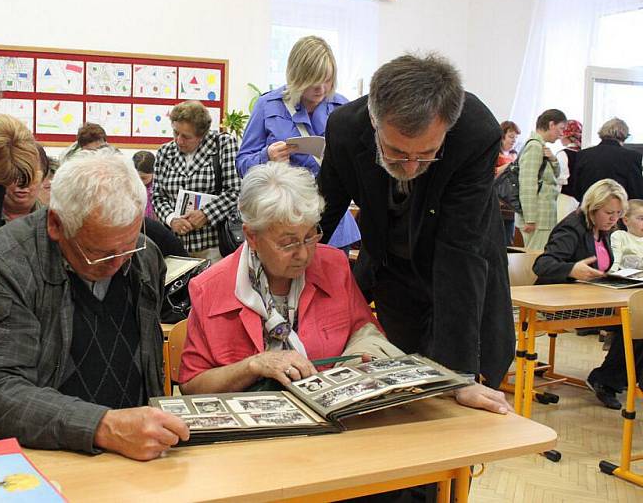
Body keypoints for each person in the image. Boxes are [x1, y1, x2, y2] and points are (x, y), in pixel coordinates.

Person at [180, 162, 511, 415]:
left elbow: (370, 340)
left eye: (310, 235)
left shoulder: (332, 266)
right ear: (252, 236)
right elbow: (193, 387)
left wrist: (452, 387)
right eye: (288, 242)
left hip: (337, 434)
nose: (304, 253)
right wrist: (254, 365)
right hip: (256, 445)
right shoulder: (211, 288)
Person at [0, 149, 190, 459]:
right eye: (101, 252)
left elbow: (147, 370)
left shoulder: (144, 255)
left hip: (126, 459)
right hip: (33, 458)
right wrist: (102, 426)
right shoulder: (1, 263)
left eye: (129, 245)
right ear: (56, 224)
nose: (120, 262)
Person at [317, 53, 515, 389]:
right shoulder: (346, 128)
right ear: (373, 120)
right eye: (395, 152)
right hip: (394, 273)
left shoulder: (474, 132)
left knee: (462, 388)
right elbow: (321, 216)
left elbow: (460, 250)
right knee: (408, 381)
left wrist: (459, 377)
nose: (410, 166)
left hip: (465, 277)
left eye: (425, 154)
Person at [236, 36, 360, 253]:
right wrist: (267, 157)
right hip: (283, 220)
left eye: (328, 80)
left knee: (333, 285)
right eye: (313, 80)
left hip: (334, 224)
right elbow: (242, 164)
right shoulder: (268, 105)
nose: (321, 89)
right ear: (297, 76)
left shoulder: (342, 108)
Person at [532, 179, 643, 409]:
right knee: (634, 322)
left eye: (618, 213)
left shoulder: (602, 230)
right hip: (558, 303)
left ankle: (617, 379)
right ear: (592, 209)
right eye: (608, 213)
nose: (614, 219)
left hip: (590, 298)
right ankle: (608, 380)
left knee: (639, 318)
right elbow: (543, 265)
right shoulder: (572, 227)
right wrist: (572, 269)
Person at [153, 100, 241, 263]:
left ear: (202, 135)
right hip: (176, 246)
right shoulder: (165, 152)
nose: (179, 140)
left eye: (186, 136)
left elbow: (235, 191)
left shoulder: (223, 145)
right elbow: (158, 197)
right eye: (175, 133)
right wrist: (172, 219)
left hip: (214, 246)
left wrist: (205, 214)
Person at [516, 109, 566, 250]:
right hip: (537, 219)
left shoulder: (541, 147)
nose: (562, 134)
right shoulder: (534, 146)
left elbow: (554, 176)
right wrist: (530, 218)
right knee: (535, 259)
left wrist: (553, 160)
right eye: (561, 128)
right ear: (551, 124)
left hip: (542, 218)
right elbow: (527, 184)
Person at [569, 117, 643, 202]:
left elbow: (576, 189)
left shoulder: (582, 154)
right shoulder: (632, 157)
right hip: (617, 210)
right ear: (624, 136)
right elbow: (636, 193)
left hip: (589, 208)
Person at [2, 144, 49, 223]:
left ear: (43, 179)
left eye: (32, 175)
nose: (23, 183)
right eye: (16, 174)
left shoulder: (53, 221)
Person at [495, 120, 520, 245]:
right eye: (510, 137)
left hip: (510, 203)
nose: (513, 141)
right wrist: (509, 165)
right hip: (497, 200)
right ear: (502, 136)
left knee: (508, 239)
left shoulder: (514, 155)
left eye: (515, 138)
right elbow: (492, 173)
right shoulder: (494, 153)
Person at [554, 119, 582, 221]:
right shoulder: (584, 154)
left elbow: (560, 178)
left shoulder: (563, 154)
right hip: (579, 199)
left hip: (564, 198)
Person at [611, 199, 643, 271]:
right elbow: (615, 260)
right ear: (626, 220)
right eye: (642, 219)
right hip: (625, 279)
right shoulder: (620, 236)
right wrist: (611, 275)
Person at [133, 149, 156, 220]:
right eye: (136, 177)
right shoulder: (128, 186)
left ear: (153, 174)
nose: (140, 181)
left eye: (143, 178)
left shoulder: (159, 188)